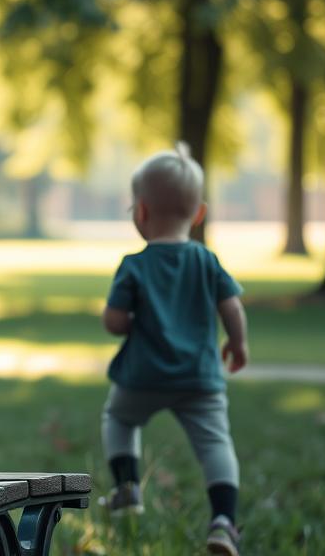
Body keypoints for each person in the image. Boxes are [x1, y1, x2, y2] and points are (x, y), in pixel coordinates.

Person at [99, 143, 249, 556]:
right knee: (216, 444)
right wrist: (236, 343)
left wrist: (126, 323)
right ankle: (223, 521)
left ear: (141, 212)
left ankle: (128, 486)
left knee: (118, 417)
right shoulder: (207, 261)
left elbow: (113, 321)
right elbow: (232, 306)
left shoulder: (134, 265)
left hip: (141, 376)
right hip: (200, 378)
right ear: (199, 213)